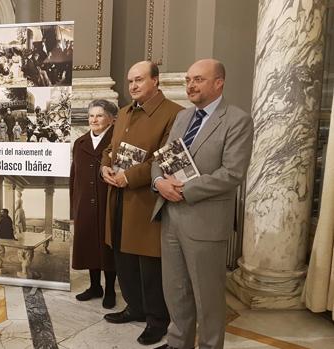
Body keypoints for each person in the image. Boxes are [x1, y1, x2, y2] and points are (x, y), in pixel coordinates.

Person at [151, 59, 253, 349]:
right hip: (171, 216)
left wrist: (184, 189)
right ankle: (178, 343)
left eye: (198, 79)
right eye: (187, 80)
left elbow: (232, 173)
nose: (190, 85)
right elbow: (163, 159)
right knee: (176, 290)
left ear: (218, 82)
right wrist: (159, 182)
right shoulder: (183, 117)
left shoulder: (237, 120)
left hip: (206, 222)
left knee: (207, 298)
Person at [100, 61, 183, 346]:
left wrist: (128, 178)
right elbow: (110, 150)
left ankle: (157, 320)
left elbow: (165, 160)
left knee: (149, 264)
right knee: (123, 257)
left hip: (148, 200)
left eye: (139, 80)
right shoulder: (122, 112)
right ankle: (134, 307)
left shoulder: (175, 114)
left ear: (156, 81)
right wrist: (104, 168)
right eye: (130, 81)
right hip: (119, 197)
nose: (133, 86)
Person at [70, 99, 118, 310]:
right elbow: (74, 177)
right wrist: (74, 206)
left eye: (99, 115)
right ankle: (94, 286)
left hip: (107, 203)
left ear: (110, 118)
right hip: (85, 205)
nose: (94, 119)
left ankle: (109, 290)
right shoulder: (79, 143)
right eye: (91, 115)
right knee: (89, 245)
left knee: (107, 247)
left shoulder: (117, 141)